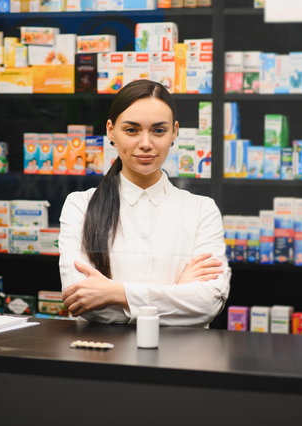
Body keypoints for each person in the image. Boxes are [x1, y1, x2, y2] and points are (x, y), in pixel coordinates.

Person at [59, 79, 231, 326]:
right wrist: (177, 292)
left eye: (158, 130)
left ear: (174, 132)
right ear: (110, 130)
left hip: (184, 358)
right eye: (132, 130)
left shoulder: (201, 209)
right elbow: (82, 301)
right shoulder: (80, 206)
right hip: (104, 357)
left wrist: (115, 293)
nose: (146, 144)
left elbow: (208, 303)